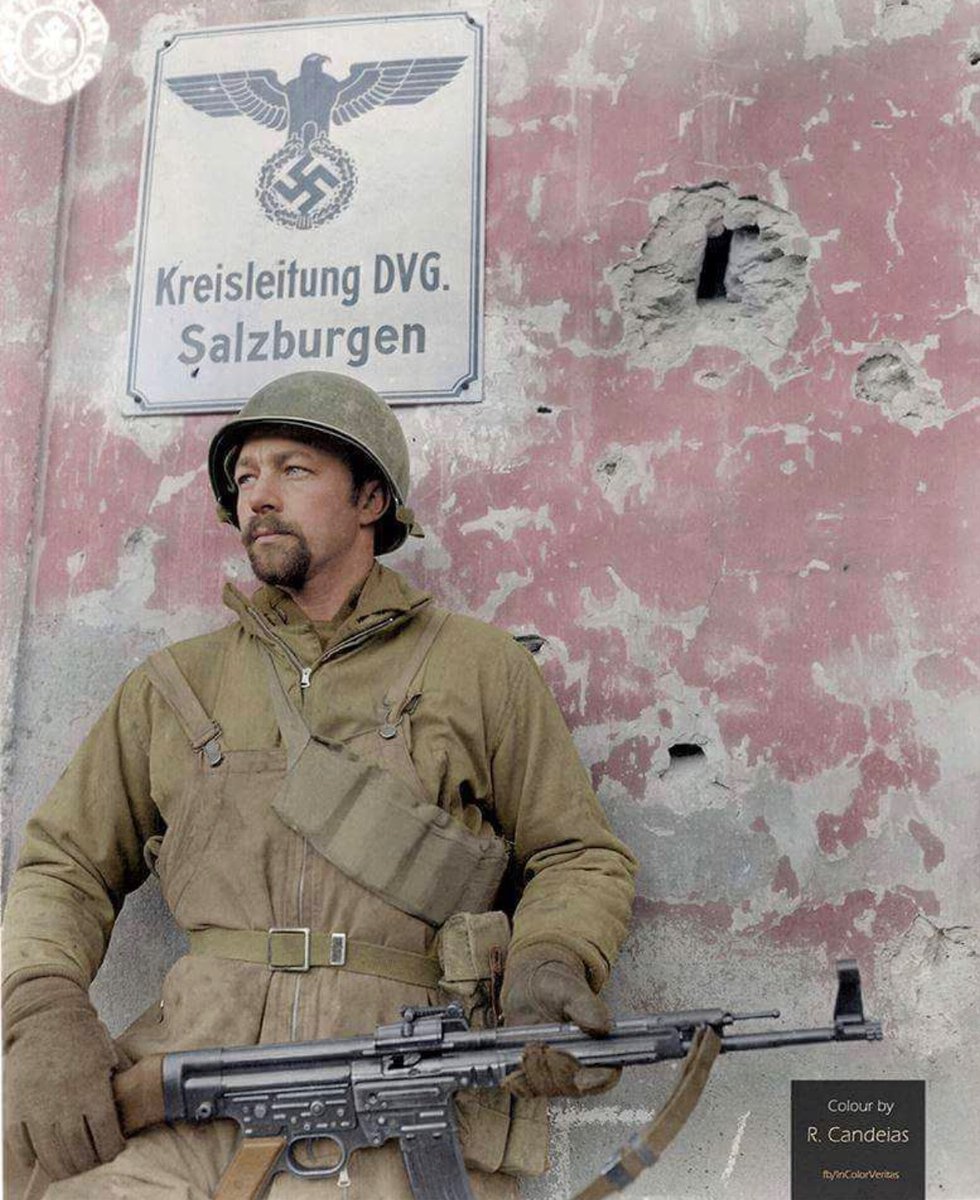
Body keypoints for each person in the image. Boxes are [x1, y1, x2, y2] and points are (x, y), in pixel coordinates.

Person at [3, 371, 637, 1199]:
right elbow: (63, 866)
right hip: (192, 1098)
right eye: (246, 478)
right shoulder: (172, 687)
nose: (260, 496)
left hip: (399, 1103)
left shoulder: (478, 669)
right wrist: (44, 1010)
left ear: (371, 497)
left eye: (293, 470)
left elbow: (576, 852)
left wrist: (551, 958)